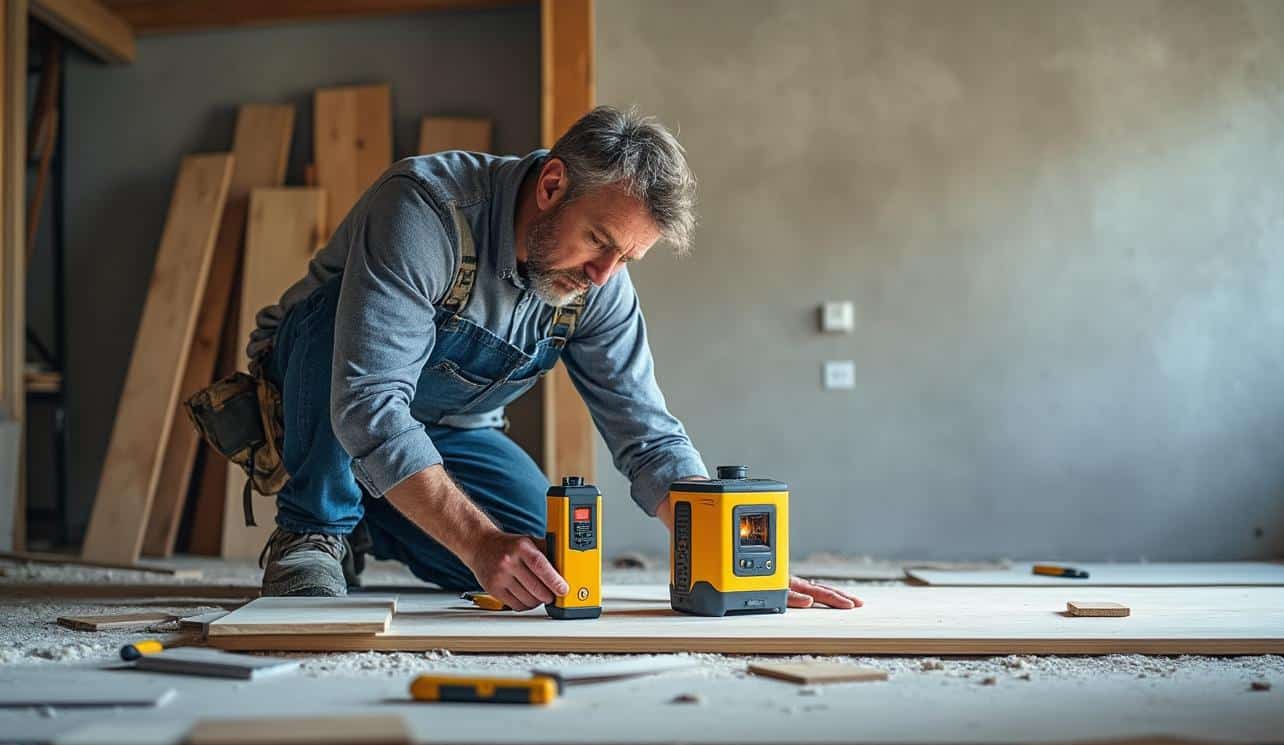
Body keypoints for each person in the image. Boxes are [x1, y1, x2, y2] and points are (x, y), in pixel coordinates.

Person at [247, 105, 862, 612]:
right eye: (599, 241)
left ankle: (366, 516)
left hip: (452, 432)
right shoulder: (427, 210)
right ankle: (315, 528)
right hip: (322, 392)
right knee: (340, 331)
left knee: (542, 560)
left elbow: (646, 434)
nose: (603, 275)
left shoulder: (601, 285)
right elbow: (368, 402)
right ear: (551, 185)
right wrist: (479, 542)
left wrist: (728, 557)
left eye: (625, 259)